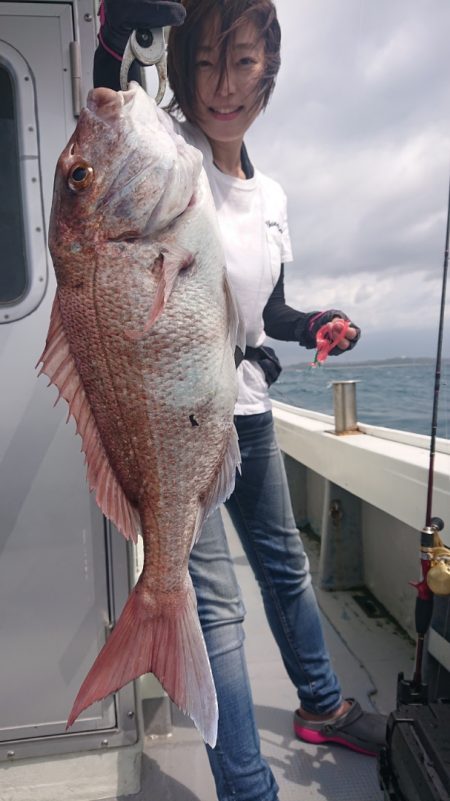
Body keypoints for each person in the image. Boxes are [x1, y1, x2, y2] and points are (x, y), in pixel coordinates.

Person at [94, 2, 387, 799]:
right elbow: (108, 117)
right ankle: (248, 787)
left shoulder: (272, 196)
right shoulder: (167, 151)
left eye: (245, 62)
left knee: (287, 568)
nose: (224, 86)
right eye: (205, 63)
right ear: (182, 70)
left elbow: (270, 309)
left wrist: (317, 322)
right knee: (216, 606)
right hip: (176, 414)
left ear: (270, 73)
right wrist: (115, 40)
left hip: (246, 413)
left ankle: (323, 703)